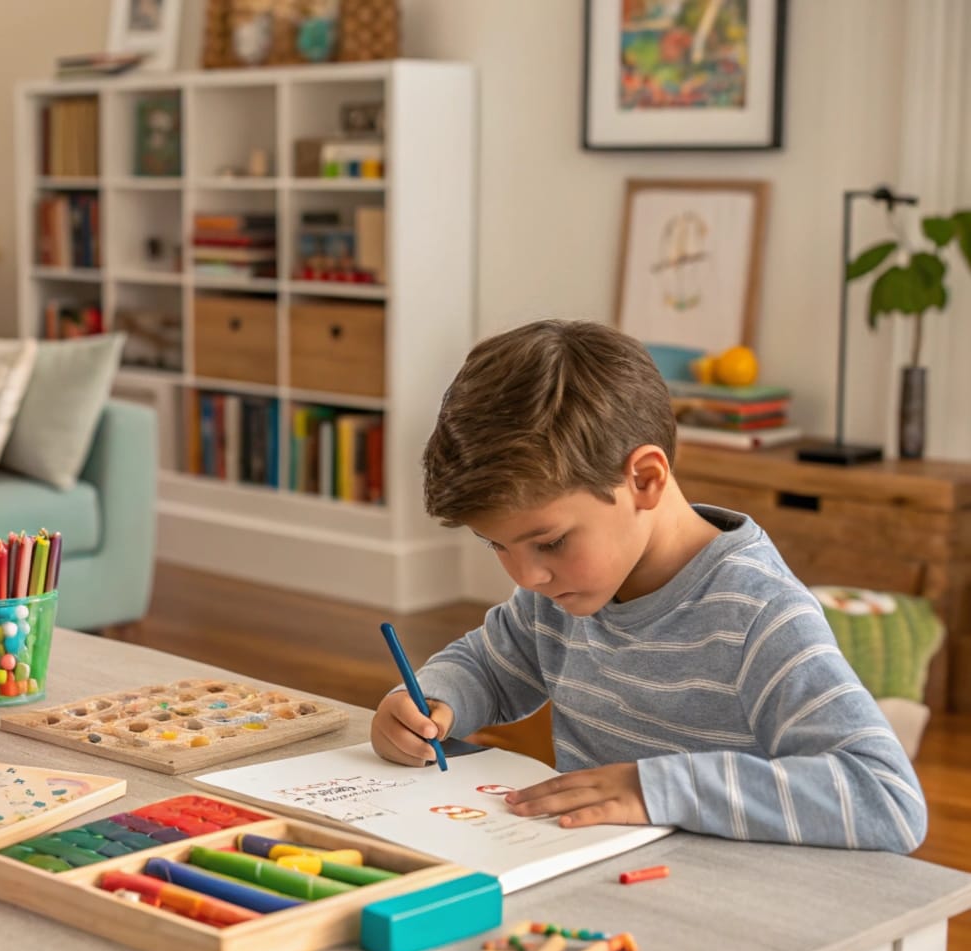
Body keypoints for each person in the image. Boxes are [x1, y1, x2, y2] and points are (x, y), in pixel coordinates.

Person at [370, 320, 927, 854]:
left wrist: (656, 789)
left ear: (644, 480)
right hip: (593, 873)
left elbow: (887, 799)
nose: (526, 577)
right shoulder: (561, 593)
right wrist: (430, 702)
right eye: (497, 545)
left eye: (551, 542)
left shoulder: (759, 613)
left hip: (728, 904)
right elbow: (490, 667)